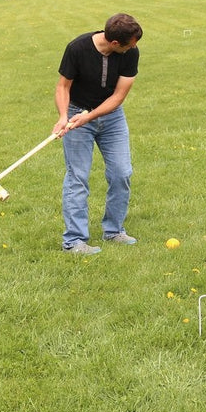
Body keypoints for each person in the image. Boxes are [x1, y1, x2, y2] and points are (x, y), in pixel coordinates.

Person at [53, 13, 143, 255]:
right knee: (78, 176)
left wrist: (89, 117)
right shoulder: (77, 48)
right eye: (130, 43)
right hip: (75, 113)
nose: (134, 47)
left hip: (111, 117)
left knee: (121, 172)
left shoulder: (131, 53)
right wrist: (63, 116)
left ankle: (114, 231)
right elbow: (63, 86)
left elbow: (118, 97)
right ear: (115, 44)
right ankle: (74, 241)